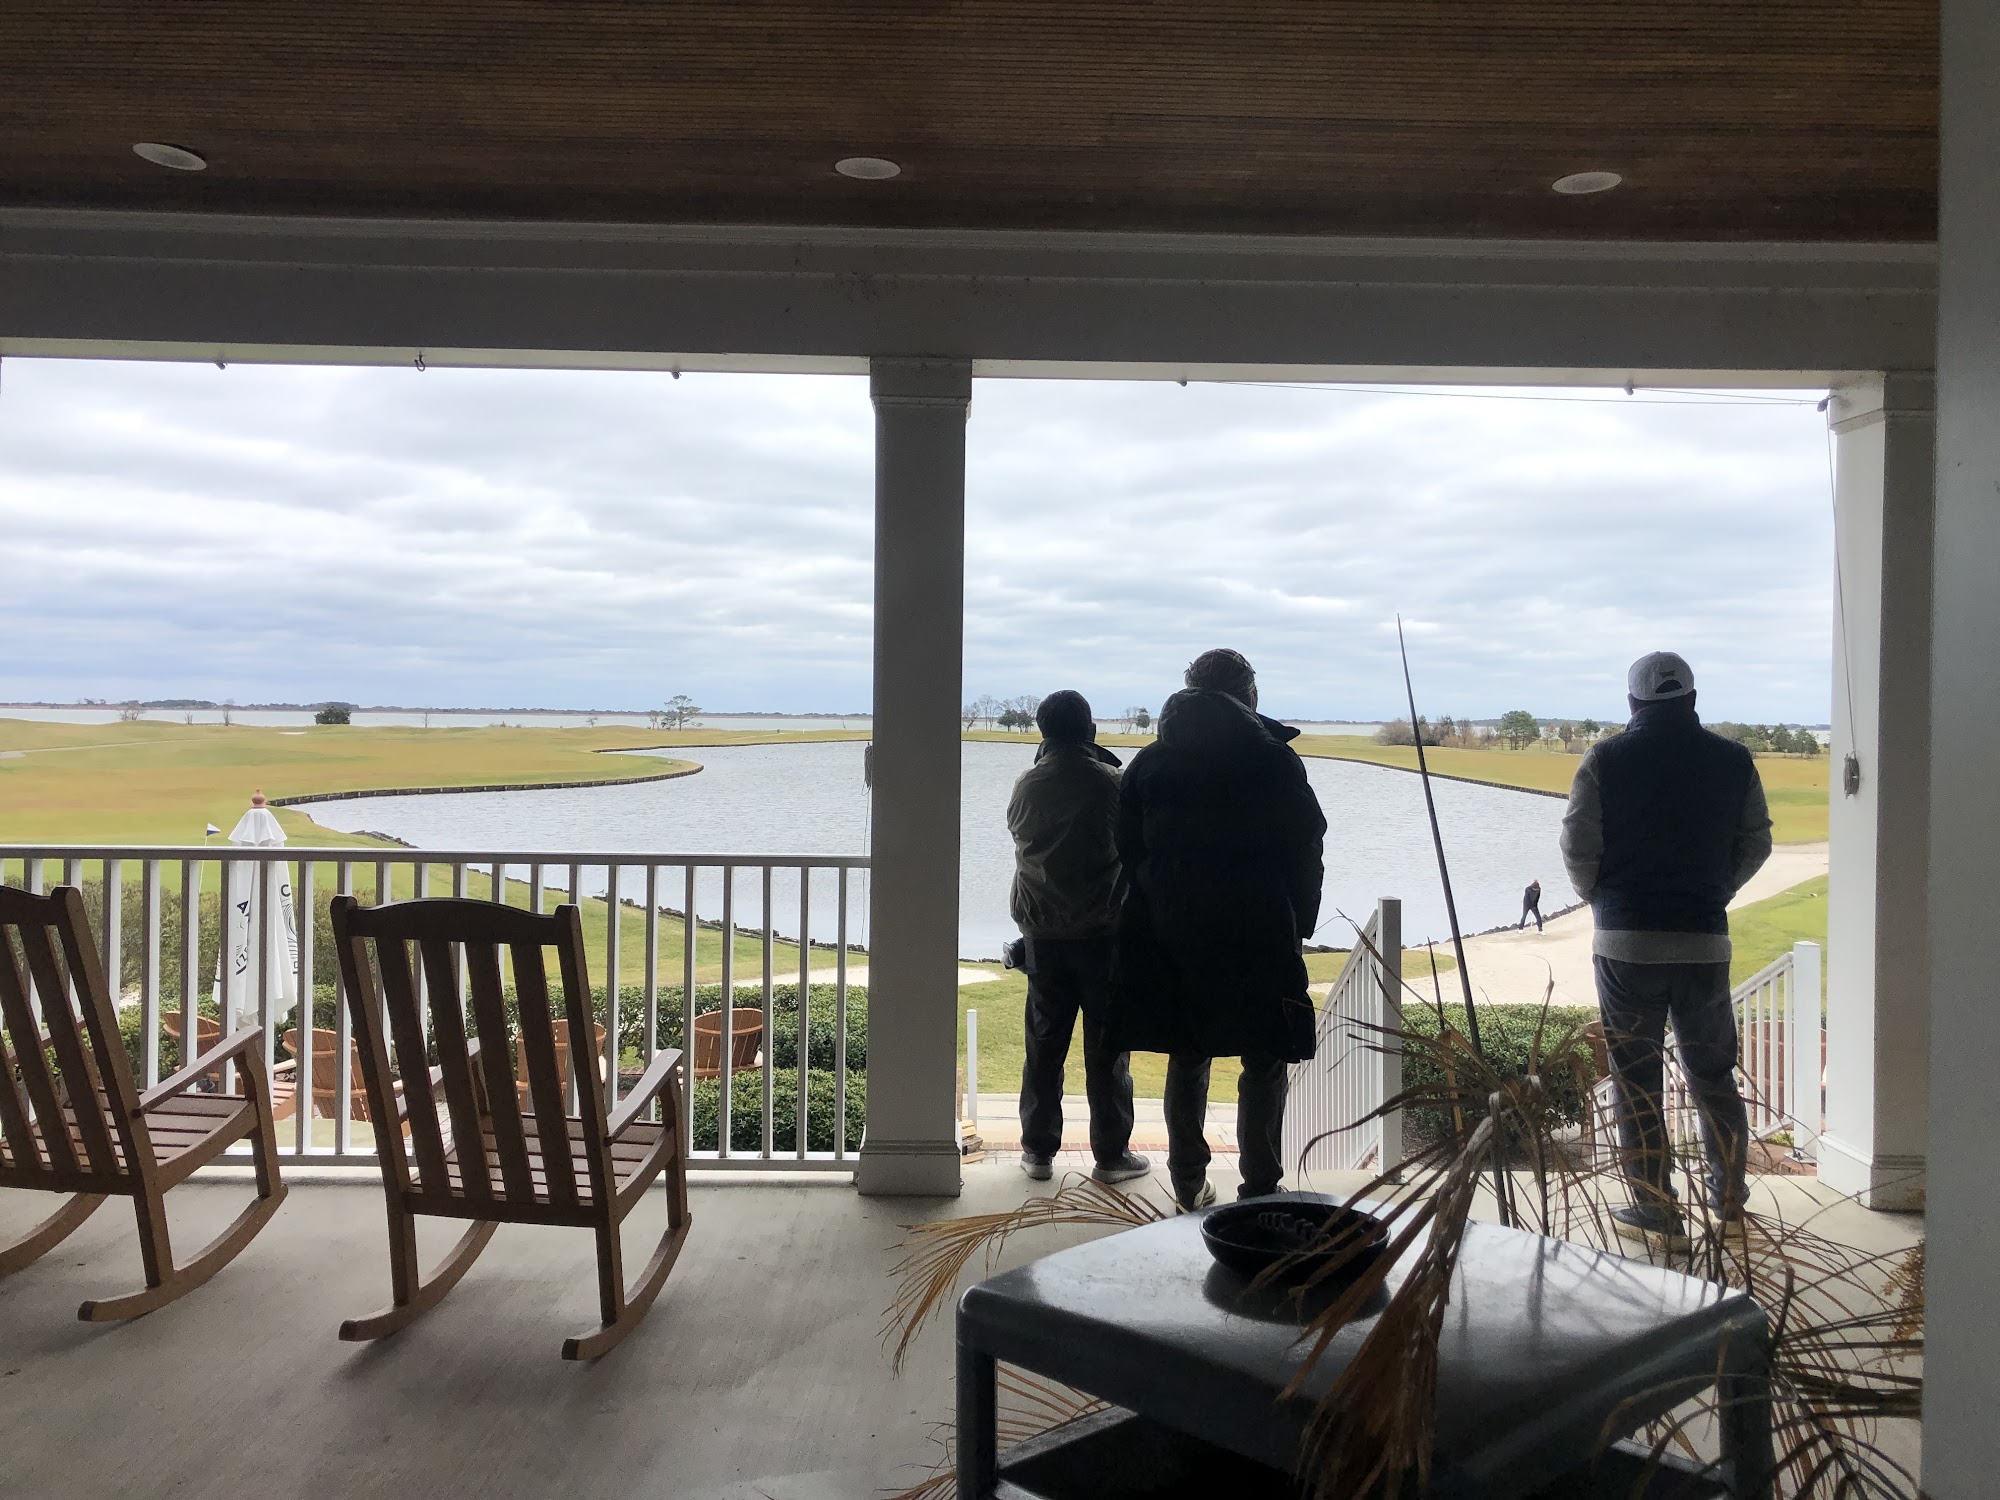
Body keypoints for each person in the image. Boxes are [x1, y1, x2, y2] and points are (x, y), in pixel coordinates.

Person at [1560, 651, 1772, 1245]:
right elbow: (1757, 841)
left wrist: (1599, 897)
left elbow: (1577, 842)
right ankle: (1729, 1202)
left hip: (1625, 943)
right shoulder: (1735, 760)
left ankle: (1656, 1210)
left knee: (1636, 1079)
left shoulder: (1604, 759)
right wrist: (1719, 889)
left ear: (1632, 703)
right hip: (1705, 943)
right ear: (1692, 699)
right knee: (1713, 1074)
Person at [1111, 649, 1326, 1210]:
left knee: (1188, 1051)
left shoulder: (1151, 764)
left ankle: (1187, 1182)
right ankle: (1260, 1186)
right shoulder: (1273, 760)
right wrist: (1301, 920)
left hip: (1173, 928)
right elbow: (1305, 845)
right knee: (1265, 1056)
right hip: (1260, 927)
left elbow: (1127, 849)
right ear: (1249, 693)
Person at [1006, 690, 1149, 1185]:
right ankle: (1111, 1155)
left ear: (1043, 731)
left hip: (1042, 934)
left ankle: (1037, 1151)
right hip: (1102, 933)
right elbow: (1136, 846)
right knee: (1108, 1048)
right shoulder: (1111, 783)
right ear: (1089, 728)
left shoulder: (1027, 784)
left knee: (1044, 1044)